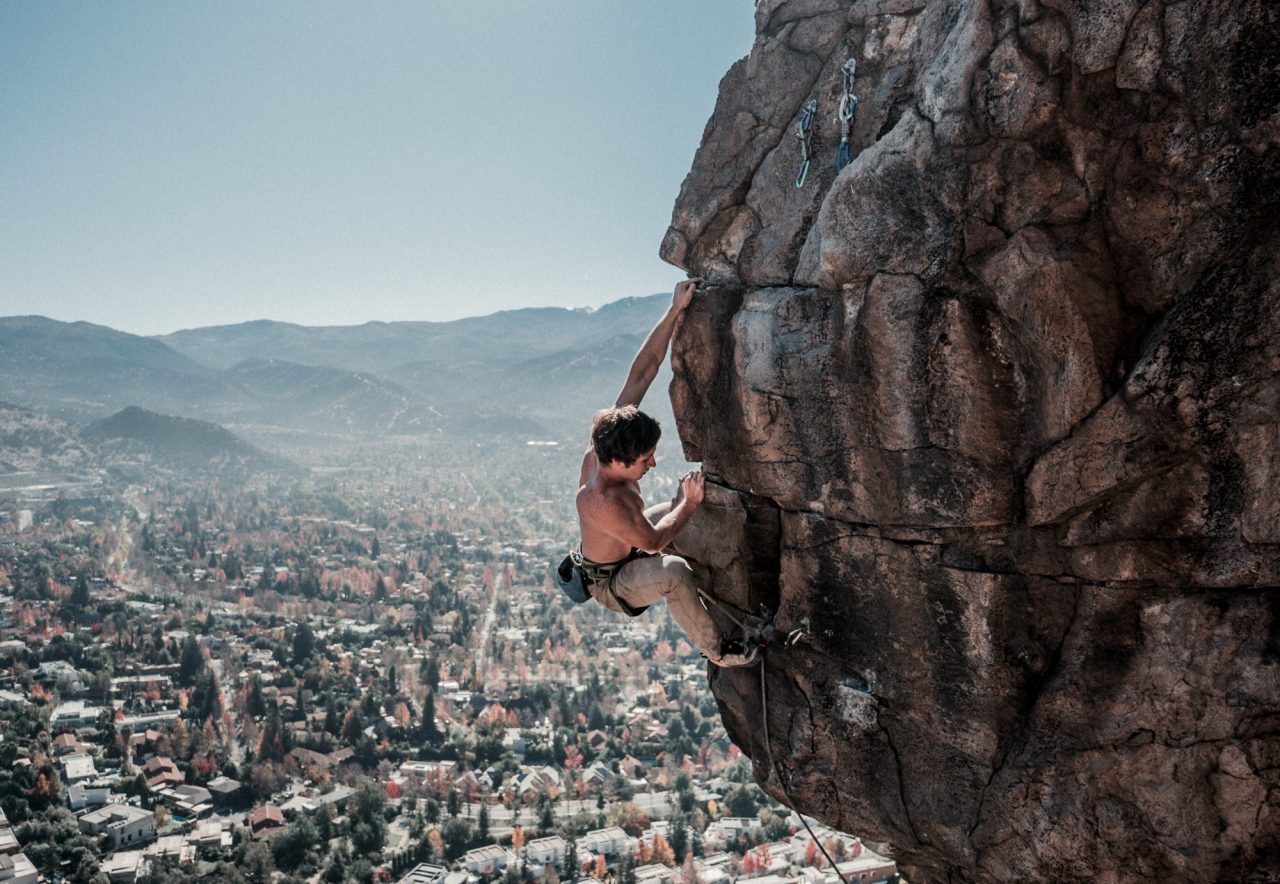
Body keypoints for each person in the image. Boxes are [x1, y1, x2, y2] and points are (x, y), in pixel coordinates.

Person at [574, 279, 758, 667]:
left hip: (628, 543)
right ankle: (719, 651)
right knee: (674, 571)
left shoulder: (608, 436)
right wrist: (687, 505)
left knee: (688, 508)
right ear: (618, 461)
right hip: (612, 581)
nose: (652, 463)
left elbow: (642, 373)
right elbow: (655, 542)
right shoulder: (601, 502)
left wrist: (675, 310)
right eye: (645, 460)